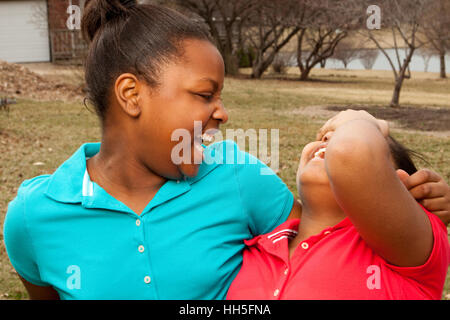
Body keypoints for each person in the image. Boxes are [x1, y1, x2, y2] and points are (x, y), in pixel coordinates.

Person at [2, 1, 449, 300]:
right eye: (204, 94)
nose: (223, 113)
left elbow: (324, 231)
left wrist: (407, 204)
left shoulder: (238, 175)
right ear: (131, 95)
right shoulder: (34, 215)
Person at [227, 110, 450, 300]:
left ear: (399, 183)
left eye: (344, 134)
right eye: (324, 137)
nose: (330, 140)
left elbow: (351, 151)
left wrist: (364, 122)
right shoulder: (256, 246)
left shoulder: (407, 248)